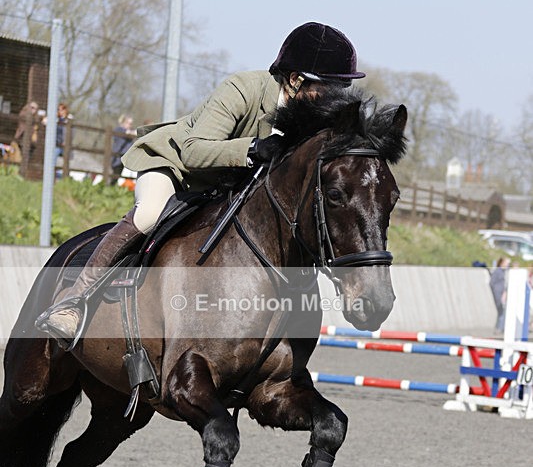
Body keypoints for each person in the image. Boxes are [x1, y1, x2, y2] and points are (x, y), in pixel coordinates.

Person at [37, 22, 366, 343]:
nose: (335, 99)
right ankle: (74, 303)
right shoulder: (242, 89)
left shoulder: (309, 119)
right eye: (330, 89)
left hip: (222, 188)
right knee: (150, 214)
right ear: (295, 80)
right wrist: (252, 149)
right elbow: (193, 150)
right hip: (176, 167)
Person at [110, 114, 136, 185]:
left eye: (131, 124)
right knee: (116, 175)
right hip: (118, 158)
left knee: (127, 176)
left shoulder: (129, 131)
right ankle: (110, 188)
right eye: (129, 123)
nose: (130, 125)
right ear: (124, 122)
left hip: (127, 158)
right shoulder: (119, 129)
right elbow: (127, 132)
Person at [489, 256, 510, 334]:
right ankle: (499, 328)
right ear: (501, 263)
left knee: (501, 311)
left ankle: (499, 327)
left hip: (503, 293)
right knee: (501, 311)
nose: (507, 265)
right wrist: (497, 291)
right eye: (506, 263)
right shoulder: (497, 271)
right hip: (499, 294)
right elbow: (491, 283)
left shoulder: (504, 271)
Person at [54, 103, 74, 178]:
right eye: (59, 109)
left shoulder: (69, 120)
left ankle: (65, 178)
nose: (60, 111)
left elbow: (72, 133)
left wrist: (66, 141)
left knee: (66, 163)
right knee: (53, 160)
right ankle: (52, 177)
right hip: (57, 144)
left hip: (65, 145)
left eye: (62, 109)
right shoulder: (56, 119)